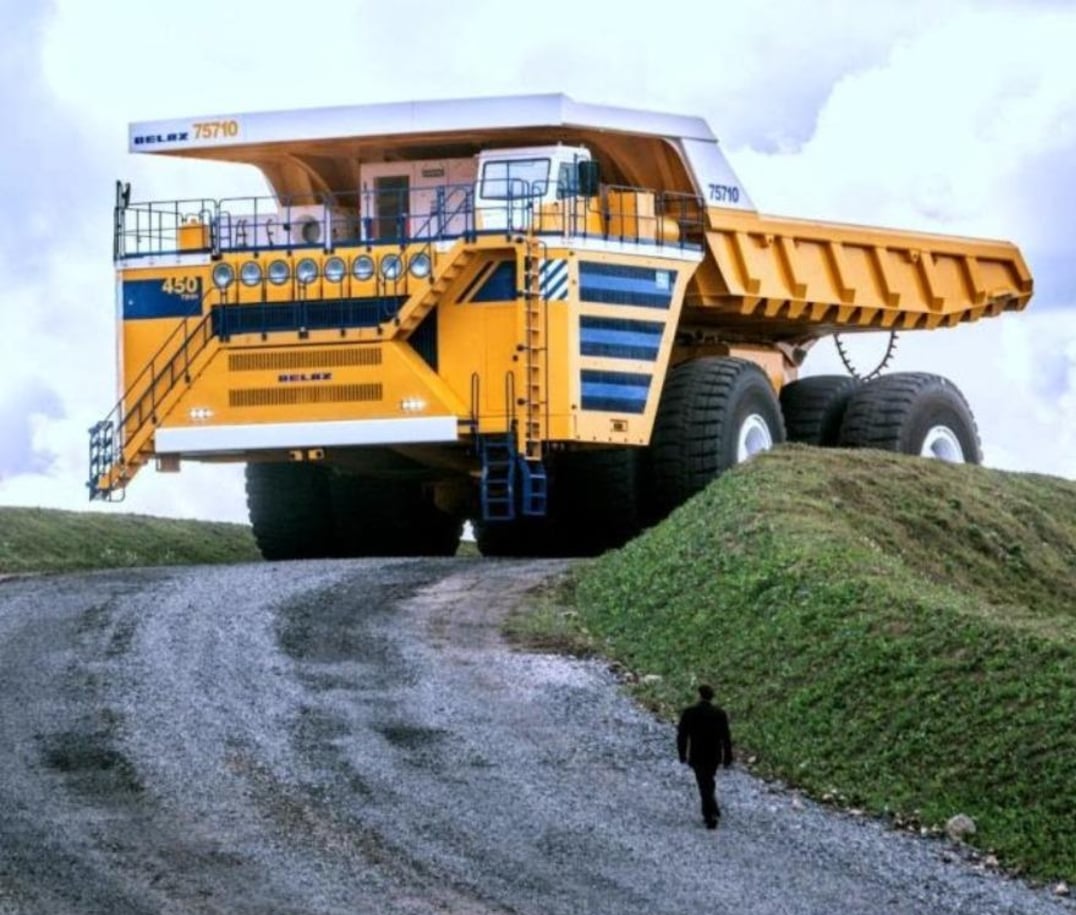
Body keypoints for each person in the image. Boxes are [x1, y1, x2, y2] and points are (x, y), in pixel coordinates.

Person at [677, 684, 733, 829]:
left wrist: (682, 753)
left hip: (697, 754)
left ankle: (709, 814)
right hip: (714, 754)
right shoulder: (719, 714)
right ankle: (712, 807)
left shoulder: (689, 712)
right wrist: (728, 756)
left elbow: (682, 735)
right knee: (708, 779)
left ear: (699, 695)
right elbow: (726, 737)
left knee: (703, 782)